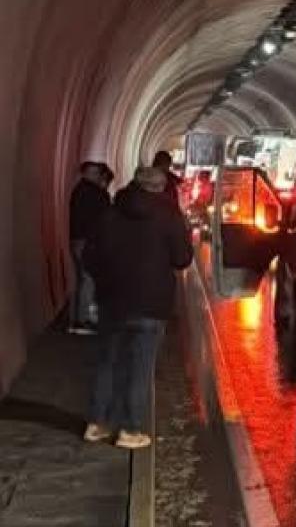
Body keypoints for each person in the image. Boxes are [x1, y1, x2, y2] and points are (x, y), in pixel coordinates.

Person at [82, 167, 193, 448]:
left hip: (112, 301)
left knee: (107, 361)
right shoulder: (168, 215)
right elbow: (182, 259)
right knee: (140, 366)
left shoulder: (110, 212)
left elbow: (89, 257)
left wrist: (105, 281)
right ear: (161, 188)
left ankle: (96, 424)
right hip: (151, 303)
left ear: (134, 183)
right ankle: (129, 430)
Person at [68, 162, 110, 333]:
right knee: (89, 280)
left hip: (77, 239)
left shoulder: (78, 190)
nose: (98, 176)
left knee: (80, 279)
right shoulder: (96, 194)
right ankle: (83, 320)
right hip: (89, 242)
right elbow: (105, 218)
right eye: (96, 173)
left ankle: (76, 317)